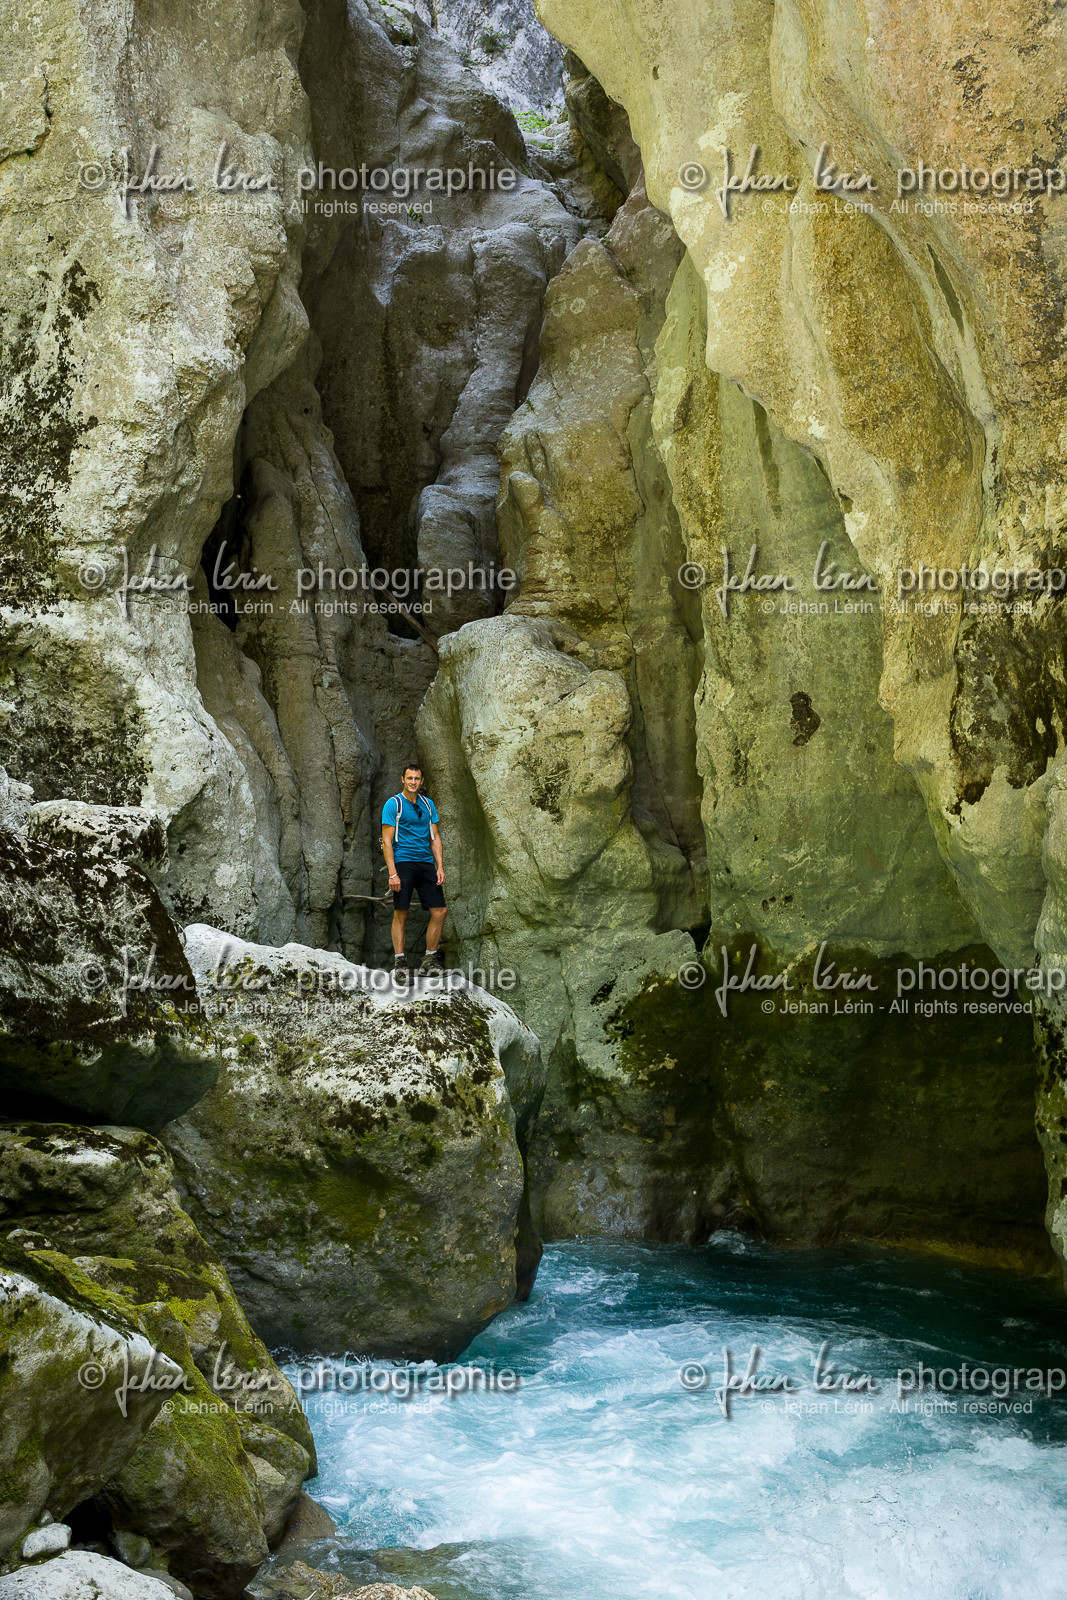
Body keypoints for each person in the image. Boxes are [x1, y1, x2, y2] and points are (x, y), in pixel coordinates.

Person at [381, 763, 446, 982]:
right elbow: (387, 841)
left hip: (425, 862)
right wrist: (392, 873)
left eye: (417, 779)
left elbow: (435, 837)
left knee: (440, 911)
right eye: (409, 778)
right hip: (403, 862)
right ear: (402, 779)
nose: (413, 782)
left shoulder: (428, 805)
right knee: (402, 911)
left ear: (421, 781)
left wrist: (440, 867)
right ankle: (400, 962)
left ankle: (429, 959)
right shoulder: (394, 804)